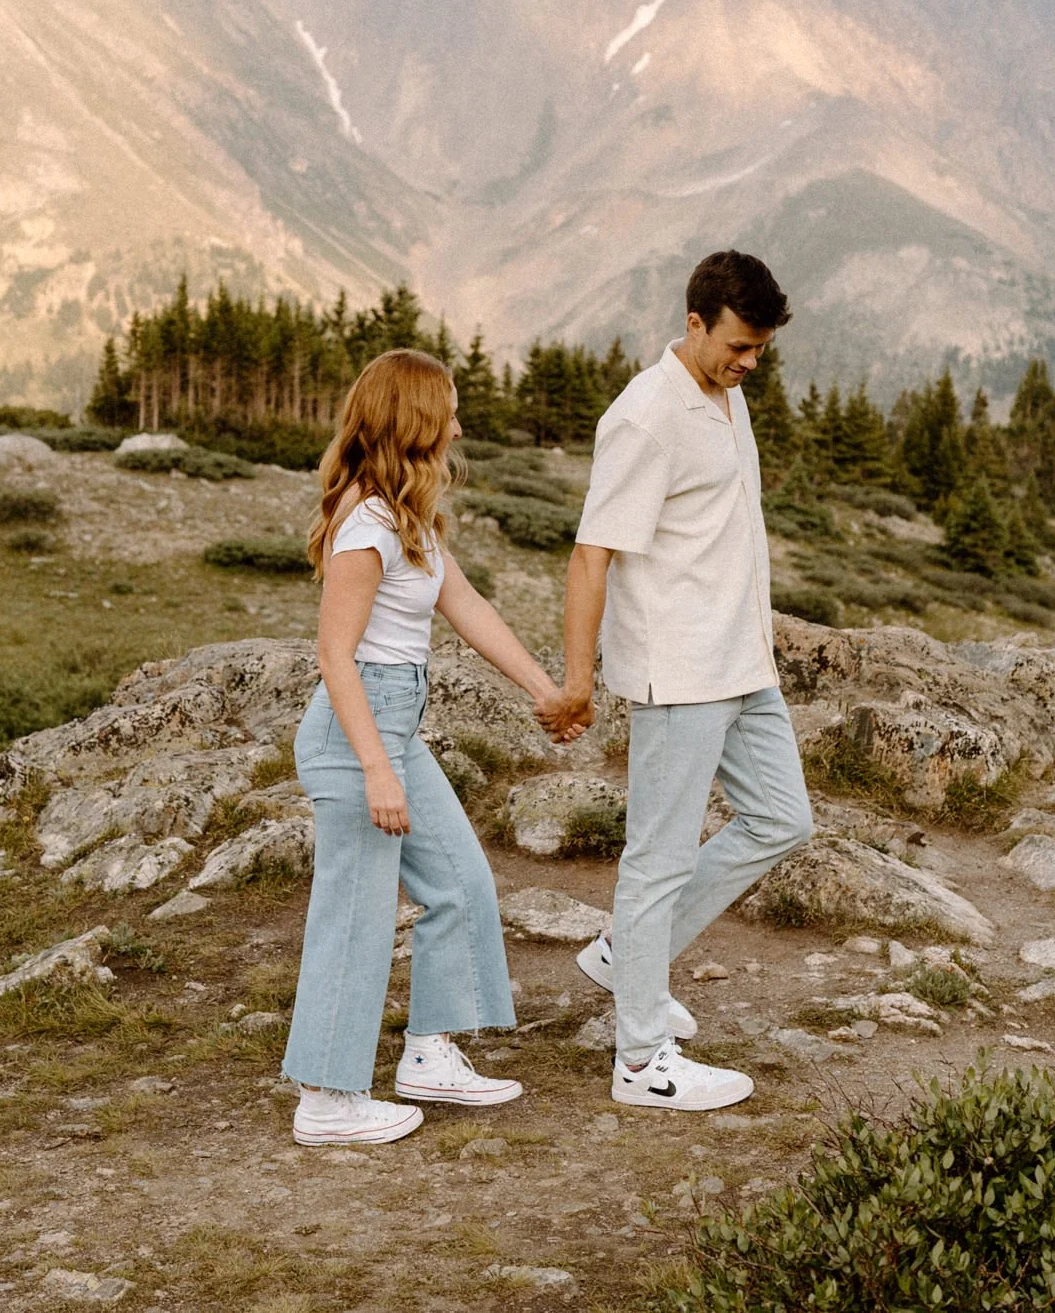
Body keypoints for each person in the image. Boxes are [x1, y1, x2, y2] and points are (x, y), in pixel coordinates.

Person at [281, 347, 569, 1146]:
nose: (459, 424)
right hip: (357, 733)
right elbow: (335, 655)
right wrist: (377, 767)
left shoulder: (408, 520)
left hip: (392, 725)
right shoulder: (365, 527)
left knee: (460, 883)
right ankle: (327, 1100)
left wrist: (545, 692)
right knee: (356, 912)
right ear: (415, 419)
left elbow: (465, 605)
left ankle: (430, 1054)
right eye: (448, 408)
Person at [552, 251, 814, 1112]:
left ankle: (626, 956)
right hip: (679, 669)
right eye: (739, 346)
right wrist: (580, 679)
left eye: (760, 350)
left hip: (742, 660)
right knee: (657, 858)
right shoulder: (646, 416)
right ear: (695, 322)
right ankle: (640, 1064)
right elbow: (593, 552)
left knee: (782, 819)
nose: (749, 364)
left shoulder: (727, 394)